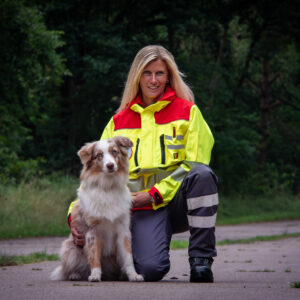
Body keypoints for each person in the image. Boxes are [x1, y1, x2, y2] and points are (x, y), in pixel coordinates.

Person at [68, 45, 219, 282]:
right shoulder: (118, 121)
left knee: (203, 174)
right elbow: (95, 174)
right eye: (147, 73)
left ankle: (201, 260)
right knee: (149, 270)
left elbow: (194, 163)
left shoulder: (189, 112)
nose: (153, 80)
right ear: (137, 77)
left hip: (178, 201)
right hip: (140, 207)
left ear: (169, 76)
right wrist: (74, 216)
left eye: (159, 73)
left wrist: (156, 194)